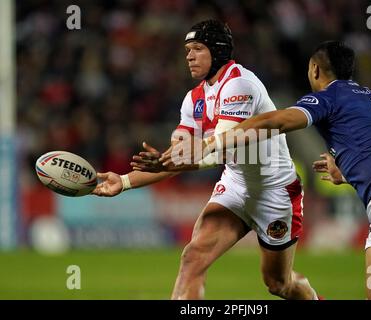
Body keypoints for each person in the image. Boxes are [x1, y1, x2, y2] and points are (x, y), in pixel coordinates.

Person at [167, 40, 371, 300]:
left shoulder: (331, 95)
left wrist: (211, 142)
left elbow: (278, 121)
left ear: (315, 69)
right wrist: (345, 171)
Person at [94, 19, 319, 300]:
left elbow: (218, 150)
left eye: (197, 48)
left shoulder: (240, 83)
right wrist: (124, 181)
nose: (189, 55)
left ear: (218, 51)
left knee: (278, 284)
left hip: (275, 191)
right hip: (235, 186)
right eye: (188, 49)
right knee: (193, 257)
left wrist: (171, 161)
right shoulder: (193, 99)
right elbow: (176, 156)